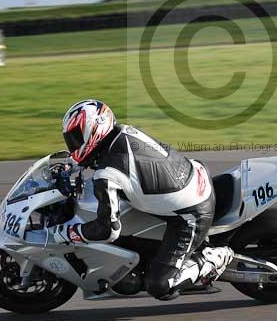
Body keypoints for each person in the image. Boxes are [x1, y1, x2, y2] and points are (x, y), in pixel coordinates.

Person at [52, 99, 234, 300]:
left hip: (192, 213)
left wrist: (69, 232)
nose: (73, 144)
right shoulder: (122, 132)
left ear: (94, 130)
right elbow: (96, 157)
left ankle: (214, 258)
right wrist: (69, 166)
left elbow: (108, 230)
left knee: (160, 285)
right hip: (193, 174)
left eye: (76, 138)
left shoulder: (107, 175)